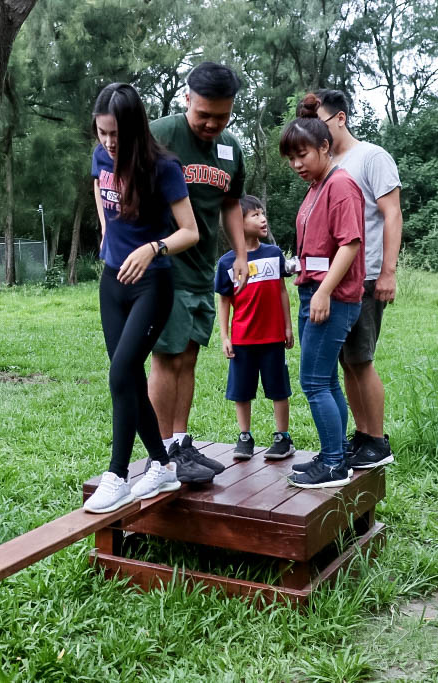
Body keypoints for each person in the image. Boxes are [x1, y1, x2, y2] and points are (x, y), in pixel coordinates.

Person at [82, 83, 202, 514]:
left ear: (134, 129)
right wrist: (104, 230)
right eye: (102, 133)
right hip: (112, 283)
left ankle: (116, 474)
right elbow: (100, 187)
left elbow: (190, 231)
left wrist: (153, 247)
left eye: (116, 134)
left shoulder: (163, 167)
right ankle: (163, 464)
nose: (109, 143)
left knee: (121, 373)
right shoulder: (101, 156)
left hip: (152, 283)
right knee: (128, 377)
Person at [148, 61, 250, 479]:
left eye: (220, 116)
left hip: (200, 270)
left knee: (188, 358)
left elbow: (230, 204)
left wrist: (240, 254)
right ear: (186, 98)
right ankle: (159, 455)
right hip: (163, 267)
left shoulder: (230, 149)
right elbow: (109, 173)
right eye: (203, 114)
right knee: (166, 359)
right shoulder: (160, 135)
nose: (211, 123)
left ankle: (178, 444)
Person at [314, 90, 401, 469]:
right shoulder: (328, 163)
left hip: (366, 277)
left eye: (321, 123)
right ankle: (363, 436)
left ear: (340, 119)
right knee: (347, 361)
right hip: (338, 280)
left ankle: (377, 440)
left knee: (361, 360)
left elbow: (392, 213)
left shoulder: (371, 156)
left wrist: (388, 272)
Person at [283, 97, 365, 489]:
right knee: (327, 380)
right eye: (291, 159)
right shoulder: (318, 186)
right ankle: (337, 453)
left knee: (313, 382)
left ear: (324, 148)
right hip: (313, 290)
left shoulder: (342, 185)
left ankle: (334, 463)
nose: (297, 164)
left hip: (331, 297)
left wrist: (323, 293)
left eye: (303, 155)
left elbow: (350, 245)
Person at [215, 195, 295, 460]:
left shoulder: (273, 254)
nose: (263, 219)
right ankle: (244, 436)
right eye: (255, 215)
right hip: (242, 339)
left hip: (272, 338)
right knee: (242, 390)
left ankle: (282, 437)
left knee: (278, 388)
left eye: (263, 213)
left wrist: (287, 326)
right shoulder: (227, 262)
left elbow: (282, 291)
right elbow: (224, 301)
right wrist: (225, 336)